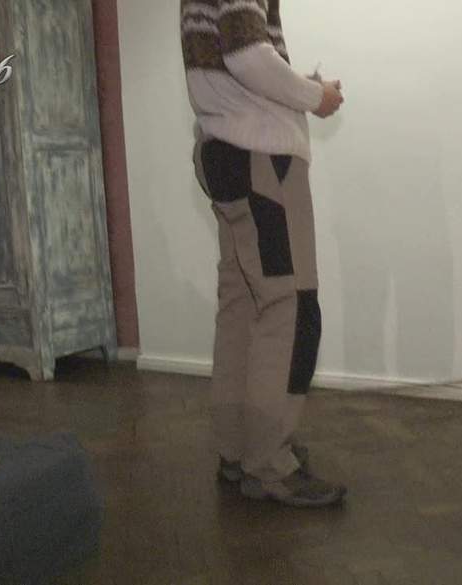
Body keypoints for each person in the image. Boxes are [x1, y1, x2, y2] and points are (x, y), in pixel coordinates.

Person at [181, 0, 345, 507]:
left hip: (224, 152)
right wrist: (314, 95)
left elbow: (235, 55)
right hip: (262, 159)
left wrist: (296, 85)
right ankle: (270, 462)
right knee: (290, 308)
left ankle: (239, 448)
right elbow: (247, 54)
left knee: (241, 307)